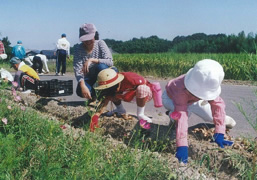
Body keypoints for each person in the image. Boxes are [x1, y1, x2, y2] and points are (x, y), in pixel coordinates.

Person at [162, 59, 236, 163]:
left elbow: (218, 106)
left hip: (194, 99)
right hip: (171, 99)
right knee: (185, 115)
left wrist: (220, 132)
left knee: (217, 119)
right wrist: (182, 146)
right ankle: (171, 116)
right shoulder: (180, 88)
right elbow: (182, 115)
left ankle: (222, 125)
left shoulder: (207, 82)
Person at [89, 68, 155, 131]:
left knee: (142, 88)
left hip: (142, 95)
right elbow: (103, 102)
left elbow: (145, 84)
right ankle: (120, 110)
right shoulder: (109, 89)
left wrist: (127, 92)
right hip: (124, 94)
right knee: (112, 94)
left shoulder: (129, 78)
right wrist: (96, 116)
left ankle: (141, 114)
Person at [73, 23, 115, 101]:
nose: (88, 41)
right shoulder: (78, 49)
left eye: (90, 38)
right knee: (80, 90)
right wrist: (82, 86)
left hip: (105, 74)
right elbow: (77, 69)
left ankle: (104, 95)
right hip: (89, 76)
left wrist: (91, 60)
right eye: (85, 39)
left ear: (94, 35)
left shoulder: (100, 43)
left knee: (101, 66)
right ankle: (93, 97)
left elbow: (110, 62)